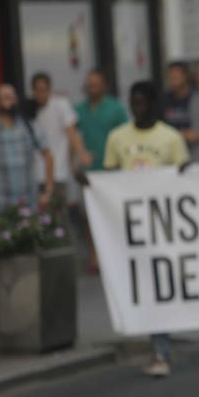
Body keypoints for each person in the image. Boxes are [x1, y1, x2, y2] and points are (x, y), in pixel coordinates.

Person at [102, 81, 189, 377]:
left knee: (158, 284)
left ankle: (161, 348)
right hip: (129, 226)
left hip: (163, 225)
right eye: (133, 103)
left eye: (143, 103)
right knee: (144, 285)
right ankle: (158, 346)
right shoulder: (117, 138)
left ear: (154, 104)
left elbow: (185, 180)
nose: (138, 109)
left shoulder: (171, 138)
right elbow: (111, 179)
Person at [75, 69, 129, 272]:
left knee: (112, 215)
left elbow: (125, 136)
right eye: (89, 84)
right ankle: (93, 256)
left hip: (110, 171)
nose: (92, 88)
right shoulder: (79, 109)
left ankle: (116, 254)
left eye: (96, 84)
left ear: (105, 85)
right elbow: (73, 135)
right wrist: (76, 160)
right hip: (88, 172)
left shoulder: (115, 109)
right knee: (87, 216)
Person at [29, 73, 92, 202]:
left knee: (58, 212)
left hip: (58, 171)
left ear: (49, 89)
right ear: (33, 91)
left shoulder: (60, 105)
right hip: (36, 173)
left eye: (44, 90)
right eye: (37, 90)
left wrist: (81, 153)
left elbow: (72, 133)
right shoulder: (30, 109)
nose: (41, 94)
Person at [0, 84, 54, 210]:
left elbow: (48, 156)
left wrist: (48, 191)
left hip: (29, 204)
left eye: (13, 97)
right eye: (6, 97)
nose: (10, 101)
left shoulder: (30, 127)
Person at [161, 61, 194, 131]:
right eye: (171, 78)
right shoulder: (164, 98)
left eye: (176, 77)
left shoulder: (196, 97)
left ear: (185, 76)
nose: (173, 81)